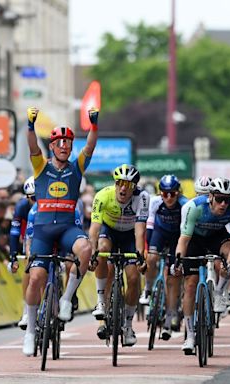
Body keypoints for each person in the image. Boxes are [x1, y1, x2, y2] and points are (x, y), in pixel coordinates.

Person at [19, 106, 98, 356]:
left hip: (67, 229)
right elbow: (32, 146)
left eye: (67, 143)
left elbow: (90, 148)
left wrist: (94, 126)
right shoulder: (41, 166)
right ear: (52, 146)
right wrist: (31, 125)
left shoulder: (76, 168)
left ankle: (66, 299)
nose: (64, 146)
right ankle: (31, 331)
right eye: (59, 143)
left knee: (85, 248)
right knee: (36, 278)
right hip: (43, 230)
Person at [173, 177, 230, 353]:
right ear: (210, 196)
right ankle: (189, 334)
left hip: (216, 237)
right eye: (219, 199)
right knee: (190, 284)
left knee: (229, 256)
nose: (224, 204)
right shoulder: (193, 207)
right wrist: (178, 261)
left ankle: (219, 291)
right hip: (194, 239)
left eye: (228, 199)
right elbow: (184, 239)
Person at [88, 164, 149, 347]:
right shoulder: (102, 195)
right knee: (102, 249)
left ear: (134, 187)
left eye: (128, 185)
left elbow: (140, 232)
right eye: (120, 183)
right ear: (115, 183)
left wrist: (140, 257)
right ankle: (100, 301)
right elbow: (94, 229)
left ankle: (128, 326)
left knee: (132, 277)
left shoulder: (142, 198)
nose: (123, 188)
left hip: (130, 235)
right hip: (110, 231)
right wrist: (92, 253)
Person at [141, 174, 188, 340]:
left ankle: (170, 315)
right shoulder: (155, 202)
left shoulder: (184, 204)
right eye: (165, 193)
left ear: (178, 193)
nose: (168, 197)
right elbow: (149, 226)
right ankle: (148, 289)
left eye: (172, 194)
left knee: (174, 275)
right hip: (159, 233)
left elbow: (185, 230)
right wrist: (148, 249)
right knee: (152, 258)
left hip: (177, 236)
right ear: (160, 193)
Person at [8, 176, 36, 329]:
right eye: (33, 198)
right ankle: (27, 309)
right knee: (28, 266)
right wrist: (13, 256)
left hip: (49, 232)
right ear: (27, 198)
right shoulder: (22, 207)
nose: (37, 201)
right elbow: (14, 232)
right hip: (31, 235)